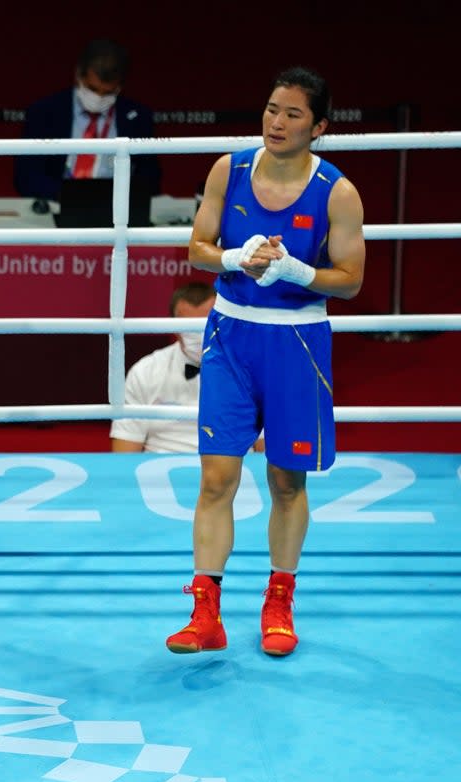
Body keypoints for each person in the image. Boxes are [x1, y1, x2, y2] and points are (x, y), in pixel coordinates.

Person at [166, 66, 365, 658]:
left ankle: (279, 600)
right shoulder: (230, 169)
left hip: (297, 343)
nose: (277, 122)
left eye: (293, 114)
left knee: (285, 480)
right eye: (272, 109)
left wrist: (298, 272)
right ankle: (205, 613)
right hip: (231, 335)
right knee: (216, 478)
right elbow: (197, 247)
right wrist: (235, 255)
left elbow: (351, 280)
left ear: (319, 126)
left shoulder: (338, 192)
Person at [110, 283, 265, 454]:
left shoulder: (252, 371)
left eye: (205, 324)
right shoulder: (145, 371)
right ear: (173, 328)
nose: (198, 335)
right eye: (189, 327)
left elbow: (265, 452)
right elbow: (125, 452)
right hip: (159, 468)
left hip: (234, 467)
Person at [13, 38, 160, 203]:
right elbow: (26, 176)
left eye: (108, 93)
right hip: (57, 203)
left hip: (117, 208)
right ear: (78, 76)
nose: (99, 98)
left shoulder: (137, 117)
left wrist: (121, 198)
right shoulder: (44, 112)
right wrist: (72, 197)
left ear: (120, 86)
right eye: (93, 89)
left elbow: (151, 177)